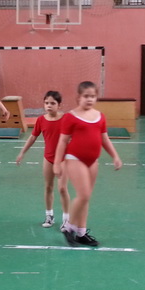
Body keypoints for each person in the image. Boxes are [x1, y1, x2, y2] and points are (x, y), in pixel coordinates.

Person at [53, 81, 123, 247]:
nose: (90, 99)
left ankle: (81, 233)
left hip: (93, 161)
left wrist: (115, 156)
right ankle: (69, 227)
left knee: (86, 198)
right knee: (83, 195)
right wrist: (57, 163)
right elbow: (62, 141)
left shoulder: (100, 116)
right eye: (86, 96)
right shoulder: (70, 117)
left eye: (93, 96)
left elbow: (104, 139)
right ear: (78, 97)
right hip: (75, 158)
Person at [16, 90, 71, 230]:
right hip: (48, 158)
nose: (49, 106)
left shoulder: (66, 119)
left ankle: (67, 220)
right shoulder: (41, 120)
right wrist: (22, 152)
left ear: (59, 105)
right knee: (48, 187)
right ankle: (49, 216)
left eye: (52, 103)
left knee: (62, 188)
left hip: (63, 159)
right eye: (46, 103)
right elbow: (32, 137)